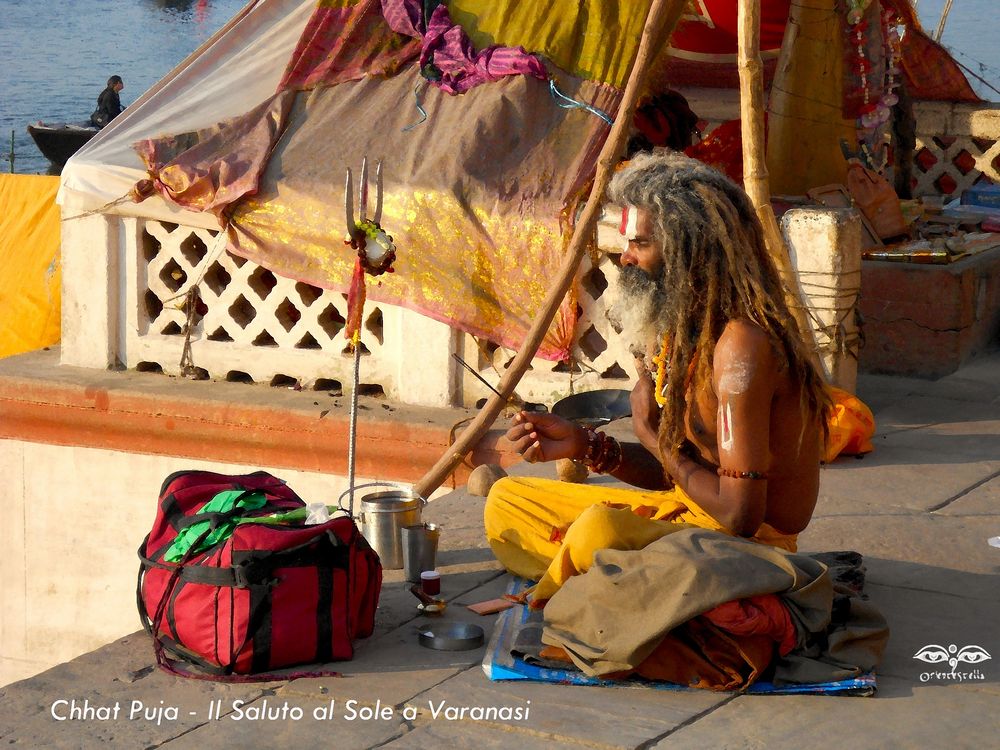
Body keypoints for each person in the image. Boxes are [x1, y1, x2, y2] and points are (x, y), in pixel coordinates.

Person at [484, 150, 832, 602]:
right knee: (508, 505)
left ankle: (603, 582)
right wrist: (587, 445)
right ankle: (611, 580)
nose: (624, 257)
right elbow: (685, 476)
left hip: (751, 552)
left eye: (640, 244)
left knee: (596, 530)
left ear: (690, 248)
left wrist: (656, 442)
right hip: (689, 521)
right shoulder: (686, 332)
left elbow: (740, 515)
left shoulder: (741, 347)